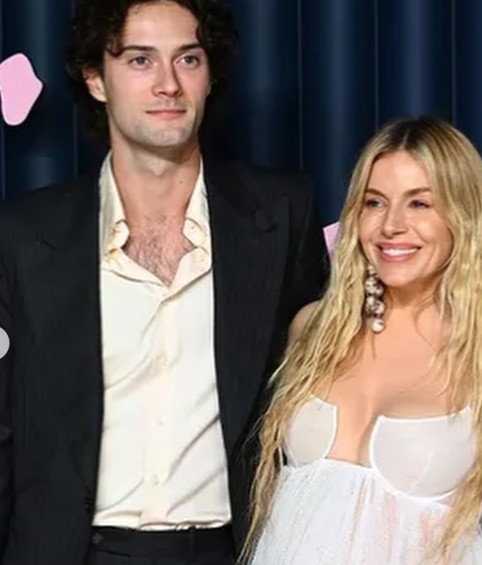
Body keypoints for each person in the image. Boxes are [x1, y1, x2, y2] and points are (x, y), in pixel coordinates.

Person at [0, 1, 328, 564]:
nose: (168, 84)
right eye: (140, 60)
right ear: (96, 79)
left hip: (229, 549)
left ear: (210, 75)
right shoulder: (24, 234)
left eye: (188, 59)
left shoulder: (280, 214)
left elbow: (322, 386)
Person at [244, 117, 482, 565]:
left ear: (463, 217)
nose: (392, 225)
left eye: (419, 203)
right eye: (375, 202)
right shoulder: (311, 331)